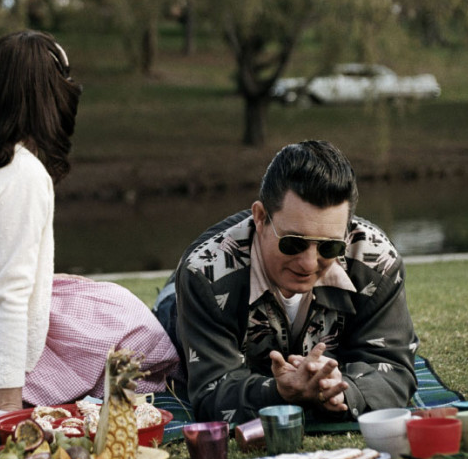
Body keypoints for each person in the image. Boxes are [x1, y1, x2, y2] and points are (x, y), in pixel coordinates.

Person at [0, 30, 179, 412]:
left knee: (96, 300)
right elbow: (10, 298)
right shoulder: (22, 175)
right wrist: (9, 411)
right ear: (49, 96)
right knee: (129, 323)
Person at [153, 140, 418, 424]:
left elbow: (394, 370)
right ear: (260, 217)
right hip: (183, 303)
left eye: (329, 247)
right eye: (293, 243)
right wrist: (278, 392)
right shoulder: (202, 274)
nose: (308, 263)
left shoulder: (378, 262)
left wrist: (345, 392)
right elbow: (211, 394)